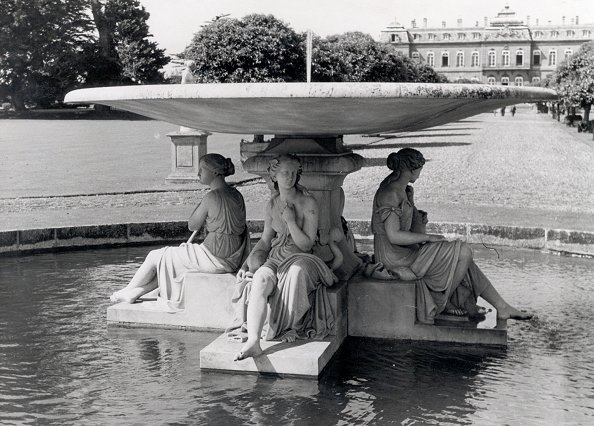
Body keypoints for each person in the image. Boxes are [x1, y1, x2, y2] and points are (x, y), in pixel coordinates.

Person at [371, 148, 533, 324]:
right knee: (462, 252)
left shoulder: (404, 190)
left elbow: (412, 231)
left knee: (460, 255)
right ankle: (441, 302)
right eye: (420, 169)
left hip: (406, 250)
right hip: (394, 256)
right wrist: (430, 238)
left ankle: (502, 307)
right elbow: (394, 236)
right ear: (412, 168)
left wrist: (420, 221)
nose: (420, 174)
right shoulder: (390, 193)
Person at [110, 153, 250, 309]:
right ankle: (135, 292)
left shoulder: (212, 197)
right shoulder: (237, 195)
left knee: (156, 256)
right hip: (232, 256)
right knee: (171, 264)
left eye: (202, 169)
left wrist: (203, 206)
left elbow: (192, 225)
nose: (198, 174)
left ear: (215, 172)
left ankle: (126, 290)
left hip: (214, 257)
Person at [232, 154, 337, 361]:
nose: (289, 177)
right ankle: (254, 341)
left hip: (303, 258)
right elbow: (264, 241)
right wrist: (247, 261)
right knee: (260, 279)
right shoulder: (272, 205)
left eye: (293, 173)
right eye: (284, 173)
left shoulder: (308, 202)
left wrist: (290, 221)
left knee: (297, 273)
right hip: (277, 257)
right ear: (274, 175)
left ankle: (292, 328)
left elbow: (306, 244)